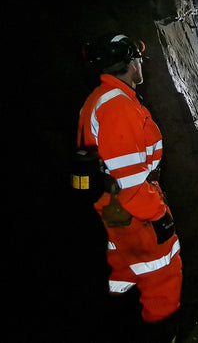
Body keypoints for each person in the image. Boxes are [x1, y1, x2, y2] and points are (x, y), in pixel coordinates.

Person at [76, 34, 182, 339]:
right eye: (138, 59)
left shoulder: (100, 98)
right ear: (129, 64)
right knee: (163, 273)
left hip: (112, 208)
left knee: (123, 272)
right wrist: (159, 215)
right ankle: (161, 332)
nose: (141, 65)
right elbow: (131, 180)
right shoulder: (117, 106)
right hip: (134, 211)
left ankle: (120, 326)